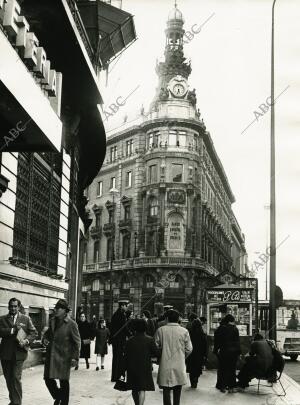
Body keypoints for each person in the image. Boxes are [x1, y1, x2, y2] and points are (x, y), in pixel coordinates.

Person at [0, 297, 37, 405]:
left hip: (19, 354)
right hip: (5, 354)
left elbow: (33, 333)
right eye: (11, 306)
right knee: (8, 379)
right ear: (8, 307)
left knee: (15, 378)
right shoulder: (2, 319)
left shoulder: (25, 319)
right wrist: (12, 330)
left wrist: (26, 341)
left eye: (15, 306)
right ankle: (13, 400)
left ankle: (17, 403)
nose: (13, 308)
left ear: (19, 307)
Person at [43, 298, 81, 405]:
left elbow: (77, 342)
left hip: (64, 357)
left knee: (64, 382)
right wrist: (44, 339)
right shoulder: (52, 321)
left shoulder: (71, 324)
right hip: (52, 355)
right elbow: (48, 334)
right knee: (48, 379)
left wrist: (75, 357)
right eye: (55, 308)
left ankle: (64, 402)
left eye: (58, 308)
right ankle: (59, 396)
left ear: (65, 310)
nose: (55, 310)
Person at [155, 309, 193, 405]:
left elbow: (155, 347)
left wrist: (160, 355)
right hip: (179, 364)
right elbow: (189, 349)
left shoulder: (160, 330)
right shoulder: (184, 331)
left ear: (167, 318)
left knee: (166, 390)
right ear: (178, 319)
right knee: (177, 389)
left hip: (165, 364)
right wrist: (182, 357)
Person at [124, 319, 160, 405]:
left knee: (134, 389)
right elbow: (157, 353)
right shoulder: (150, 340)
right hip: (144, 367)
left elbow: (126, 356)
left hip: (132, 367)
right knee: (142, 389)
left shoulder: (130, 341)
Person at [213, 314, 241, 393]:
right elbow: (237, 342)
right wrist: (239, 352)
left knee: (222, 369)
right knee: (232, 369)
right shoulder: (235, 329)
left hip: (224, 352)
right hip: (234, 353)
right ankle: (231, 386)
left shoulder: (221, 328)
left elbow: (217, 340)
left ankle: (222, 386)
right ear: (231, 321)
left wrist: (215, 350)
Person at [110, 300, 131, 382]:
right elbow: (125, 328)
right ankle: (117, 376)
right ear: (122, 306)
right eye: (126, 306)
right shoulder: (121, 315)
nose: (126, 307)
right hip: (119, 340)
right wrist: (131, 335)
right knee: (119, 358)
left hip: (116, 340)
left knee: (116, 357)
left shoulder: (116, 314)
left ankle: (115, 376)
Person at [186, 318, 208, 388]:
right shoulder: (202, 334)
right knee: (197, 368)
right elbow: (205, 346)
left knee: (191, 369)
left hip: (191, 354)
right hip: (199, 354)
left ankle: (192, 382)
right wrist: (205, 355)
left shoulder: (189, 333)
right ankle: (196, 380)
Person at [213, 317, 226, 391]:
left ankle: (219, 384)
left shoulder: (217, 330)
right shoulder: (225, 330)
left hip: (219, 350)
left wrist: (216, 350)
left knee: (220, 368)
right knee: (224, 368)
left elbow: (216, 342)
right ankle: (222, 385)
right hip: (223, 351)